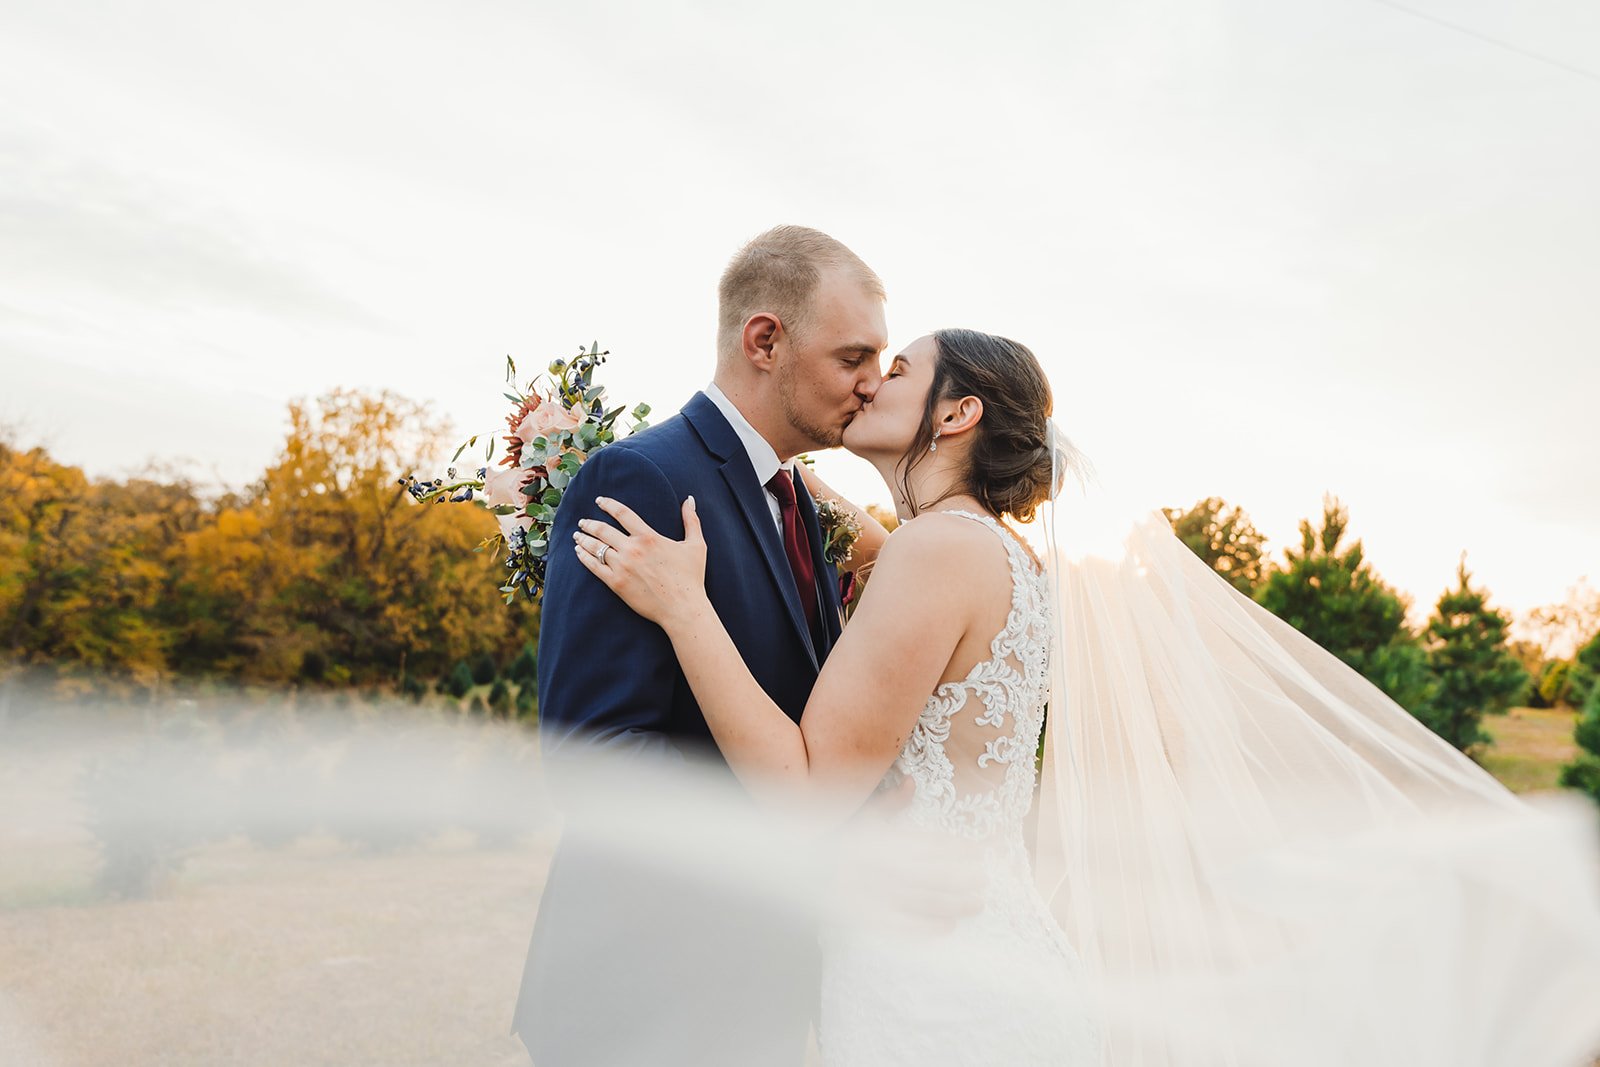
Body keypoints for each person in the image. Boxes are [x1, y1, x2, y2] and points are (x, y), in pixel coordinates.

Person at [573, 328, 1600, 1066]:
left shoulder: (935, 551)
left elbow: (804, 786)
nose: (871, 381)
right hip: (982, 949)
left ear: (958, 409)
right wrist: (581, 453)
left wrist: (681, 602)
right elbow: (786, 503)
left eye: (899, 369)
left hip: (932, 988)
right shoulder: (994, 554)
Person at [510, 224, 889, 1066]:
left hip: (754, 997)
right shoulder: (641, 478)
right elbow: (595, 761)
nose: (872, 385)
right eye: (853, 357)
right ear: (765, 339)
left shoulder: (795, 500)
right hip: (648, 1002)